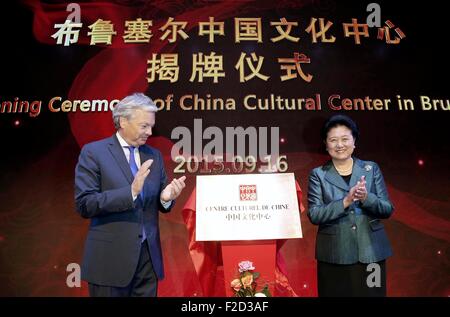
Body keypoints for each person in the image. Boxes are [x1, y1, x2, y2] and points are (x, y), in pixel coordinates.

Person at [74, 93, 186, 297]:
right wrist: (130, 192)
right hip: (109, 261)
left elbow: (158, 200)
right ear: (123, 121)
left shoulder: (154, 155)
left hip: (147, 260)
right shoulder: (94, 152)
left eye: (151, 126)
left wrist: (166, 198)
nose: (150, 132)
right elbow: (85, 203)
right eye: (144, 126)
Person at [307, 114, 394, 297]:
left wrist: (365, 198)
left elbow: (387, 209)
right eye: (333, 140)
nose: (340, 145)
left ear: (354, 141)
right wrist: (346, 201)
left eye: (345, 139)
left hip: (372, 255)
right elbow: (314, 214)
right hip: (334, 254)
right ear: (326, 143)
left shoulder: (371, 169)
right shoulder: (318, 175)